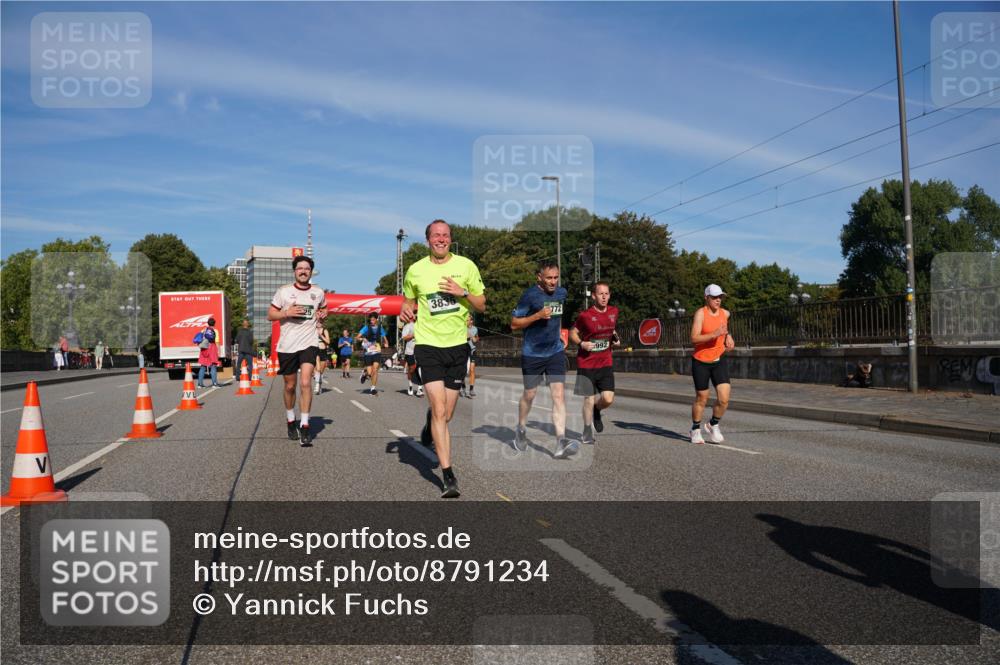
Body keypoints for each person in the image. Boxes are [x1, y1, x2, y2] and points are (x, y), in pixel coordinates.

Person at [400, 219, 486, 498]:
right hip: (428, 345)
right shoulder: (415, 270)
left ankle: (430, 424)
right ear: (428, 240)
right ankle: (448, 476)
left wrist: (461, 292)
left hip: (457, 346)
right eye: (436, 235)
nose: (441, 239)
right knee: (440, 411)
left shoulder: (466, 266)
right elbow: (408, 301)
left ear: (450, 239)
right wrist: (405, 311)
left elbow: (482, 303)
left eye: (445, 235)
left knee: (445, 415)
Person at [511, 260, 577, 459]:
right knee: (529, 395)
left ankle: (561, 441)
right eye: (549, 278)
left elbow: (558, 318)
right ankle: (521, 428)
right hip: (533, 353)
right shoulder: (530, 295)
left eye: (556, 277)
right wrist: (537, 315)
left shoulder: (561, 293)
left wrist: (559, 335)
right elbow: (514, 323)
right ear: (539, 277)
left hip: (555, 352)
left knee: (558, 395)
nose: (553, 282)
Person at [268, 255, 327, 446]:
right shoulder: (283, 292)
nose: (303, 271)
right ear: (294, 271)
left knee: (305, 383)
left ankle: (305, 425)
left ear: (311, 272)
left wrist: (323, 315)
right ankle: (290, 419)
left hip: (309, 342)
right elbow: (270, 314)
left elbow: (323, 311)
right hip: (287, 345)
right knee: (290, 386)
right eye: (300, 268)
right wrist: (287, 313)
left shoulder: (318, 293)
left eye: (307, 269)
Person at [570, 282, 621, 445]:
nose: (604, 297)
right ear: (593, 296)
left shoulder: (614, 312)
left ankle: (597, 410)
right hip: (586, 363)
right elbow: (573, 333)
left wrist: (615, 338)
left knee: (608, 399)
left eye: (607, 293)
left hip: (605, 361)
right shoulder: (585, 315)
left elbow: (610, 328)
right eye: (601, 294)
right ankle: (586, 431)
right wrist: (581, 344)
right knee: (588, 399)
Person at [690, 284, 735, 445]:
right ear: (706, 297)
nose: (718, 300)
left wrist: (728, 337)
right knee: (702, 398)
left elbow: (724, 329)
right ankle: (695, 429)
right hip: (701, 361)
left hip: (719, 359)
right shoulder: (700, 314)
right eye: (714, 297)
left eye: (720, 297)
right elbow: (694, 338)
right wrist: (714, 334)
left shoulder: (725, 313)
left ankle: (712, 424)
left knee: (724, 399)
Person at [357, 314, 389, 396]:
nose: (372, 322)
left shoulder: (380, 328)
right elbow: (357, 337)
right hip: (368, 352)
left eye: (373, 320)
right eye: (371, 320)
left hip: (377, 351)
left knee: (375, 370)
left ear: (376, 320)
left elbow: (385, 338)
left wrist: (386, 343)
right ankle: (365, 373)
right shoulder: (366, 328)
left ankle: (373, 388)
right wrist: (362, 338)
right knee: (370, 373)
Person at [401, 315, 423, 397]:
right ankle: (410, 385)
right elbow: (404, 337)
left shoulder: (423, 326)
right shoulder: (408, 326)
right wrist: (414, 335)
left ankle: (420, 389)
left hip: (421, 351)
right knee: (412, 368)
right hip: (410, 351)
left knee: (421, 369)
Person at [197, 318, 222, 388]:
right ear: (214, 323)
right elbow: (217, 342)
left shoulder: (203, 330)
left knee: (203, 366)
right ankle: (214, 384)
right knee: (213, 366)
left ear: (208, 323)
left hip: (204, 348)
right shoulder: (215, 331)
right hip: (212, 348)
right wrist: (219, 351)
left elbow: (200, 340)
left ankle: (200, 384)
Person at [462, 315, 479, 398]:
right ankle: (463, 388)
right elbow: (463, 337)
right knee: (463, 370)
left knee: (472, 370)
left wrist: (473, 337)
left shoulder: (475, 329)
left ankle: (471, 389)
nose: (468, 322)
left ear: (472, 321)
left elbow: (476, 340)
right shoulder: (462, 328)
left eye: (469, 320)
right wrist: (466, 334)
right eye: (466, 320)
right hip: (463, 351)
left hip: (472, 350)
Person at [314, 322, 331, 395]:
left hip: (323, 351)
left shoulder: (325, 330)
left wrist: (321, 335)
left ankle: (319, 385)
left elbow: (328, 341)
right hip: (315, 351)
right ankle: (317, 385)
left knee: (321, 371)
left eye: (320, 322)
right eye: (317, 322)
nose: (318, 323)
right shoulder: (312, 330)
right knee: (317, 370)